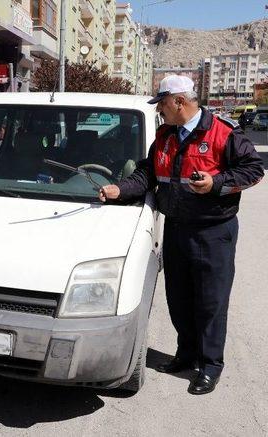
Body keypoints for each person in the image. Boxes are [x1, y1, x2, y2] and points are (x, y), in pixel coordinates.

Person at [99, 75, 263, 395]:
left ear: (178, 101)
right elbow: (148, 172)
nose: (159, 109)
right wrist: (121, 189)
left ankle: (210, 365)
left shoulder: (222, 132)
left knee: (210, 303)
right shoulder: (165, 135)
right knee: (179, 299)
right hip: (176, 229)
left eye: (161, 102)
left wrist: (216, 183)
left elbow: (253, 170)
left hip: (212, 232)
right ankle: (186, 355)